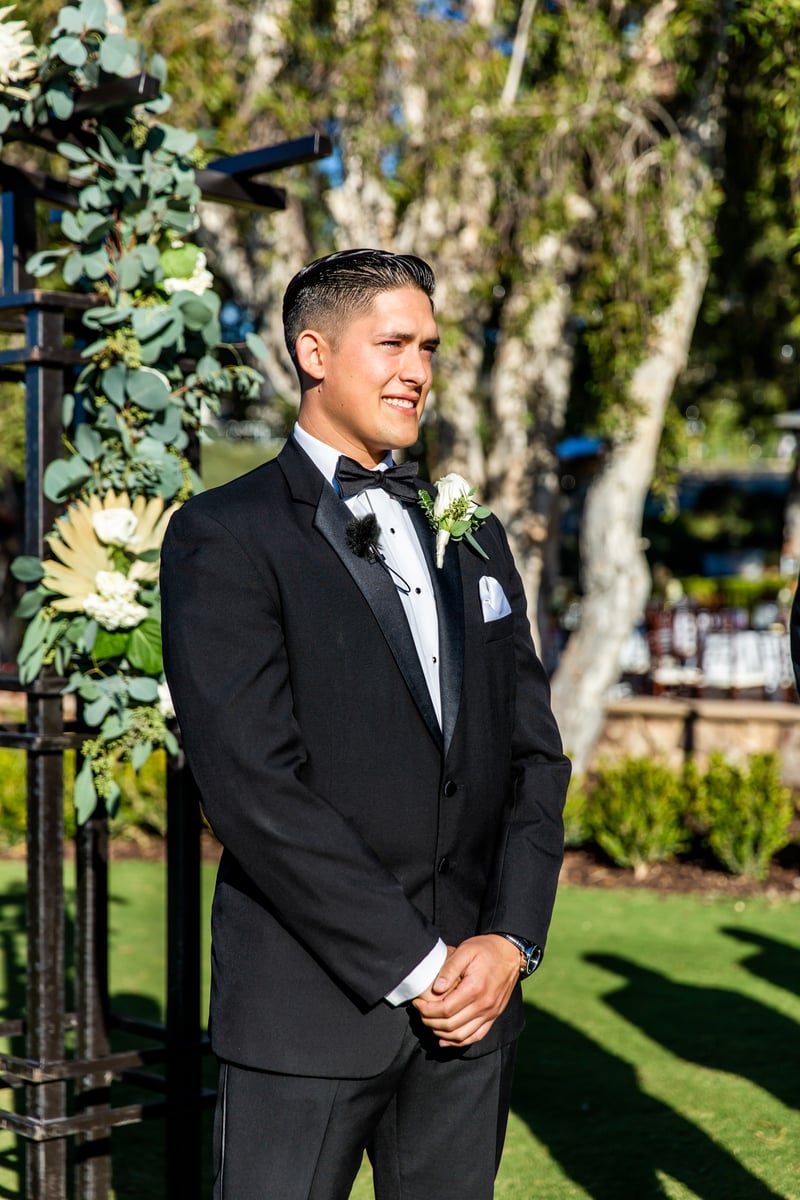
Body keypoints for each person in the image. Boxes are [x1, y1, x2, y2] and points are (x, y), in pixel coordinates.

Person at [160, 248, 570, 1200]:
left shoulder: (473, 532)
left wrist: (509, 942)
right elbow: (253, 787)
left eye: (429, 347)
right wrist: (418, 964)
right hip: (306, 1013)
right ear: (314, 352)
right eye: (393, 344)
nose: (418, 370)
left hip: (473, 1018)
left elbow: (534, 758)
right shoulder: (224, 534)